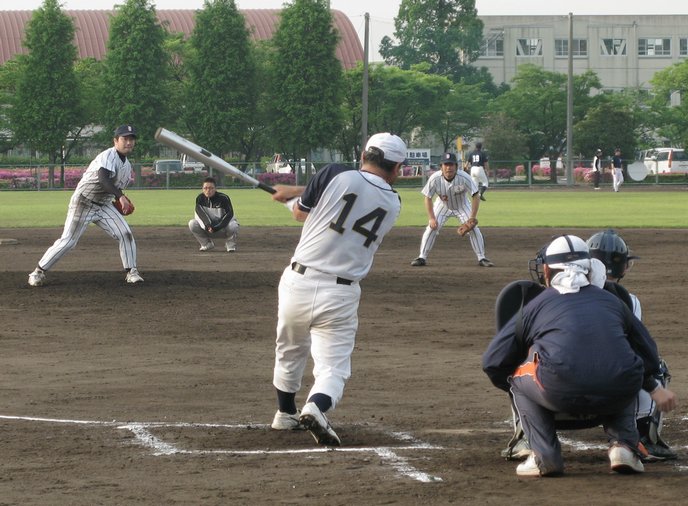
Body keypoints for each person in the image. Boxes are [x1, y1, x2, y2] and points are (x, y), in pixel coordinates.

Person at [483, 235, 677, 477]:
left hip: (556, 390)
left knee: (519, 376)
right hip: (616, 394)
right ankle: (625, 446)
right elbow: (648, 355)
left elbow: (493, 362)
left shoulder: (537, 304)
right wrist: (653, 387)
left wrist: (515, 389)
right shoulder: (613, 301)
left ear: (546, 269)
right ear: (589, 268)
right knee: (623, 367)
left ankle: (543, 455)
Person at [269, 132, 406, 446]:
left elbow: (302, 213)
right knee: (333, 366)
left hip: (298, 282)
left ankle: (285, 413)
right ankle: (316, 406)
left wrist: (292, 196)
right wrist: (298, 194)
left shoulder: (334, 173)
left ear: (363, 155)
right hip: (341, 292)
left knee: (289, 349)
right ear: (396, 168)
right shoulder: (394, 203)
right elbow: (345, 203)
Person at [587, 229, 677, 460]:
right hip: (611, 388)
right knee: (654, 366)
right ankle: (644, 437)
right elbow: (631, 350)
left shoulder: (559, 293)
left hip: (558, 389)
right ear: (621, 267)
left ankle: (526, 437)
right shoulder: (629, 300)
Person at [28, 125, 143, 286]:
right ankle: (38, 271)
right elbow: (103, 179)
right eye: (125, 138)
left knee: (125, 233)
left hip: (103, 205)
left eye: (132, 139)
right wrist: (120, 196)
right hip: (84, 202)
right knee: (68, 241)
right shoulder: (107, 156)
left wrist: (120, 200)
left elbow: (114, 187)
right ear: (116, 140)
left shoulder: (127, 166)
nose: (129, 142)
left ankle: (132, 272)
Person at [410, 152, 494, 268]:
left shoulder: (464, 177)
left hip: (462, 206)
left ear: (456, 166)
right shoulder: (435, 178)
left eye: (451, 165)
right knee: (431, 228)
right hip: (442, 206)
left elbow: (475, 195)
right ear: (441, 167)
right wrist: (432, 218)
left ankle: (482, 258)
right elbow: (427, 197)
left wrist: (472, 217)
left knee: (474, 229)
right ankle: (421, 257)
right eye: (446, 165)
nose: (448, 167)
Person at [188, 177, 239, 252]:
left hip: (223, 229)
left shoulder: (224, 198)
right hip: (208, 229)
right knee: (192, 223)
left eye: (211, 188)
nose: (208, 190)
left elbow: (229, 215)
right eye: (205, 188)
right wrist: (208, 226)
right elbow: (200, 215)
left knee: (233, 225)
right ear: (202, 189)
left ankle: (230, 245)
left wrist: (217, 227)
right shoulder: (200, 198)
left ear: (215, 189)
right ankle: (206, 244)